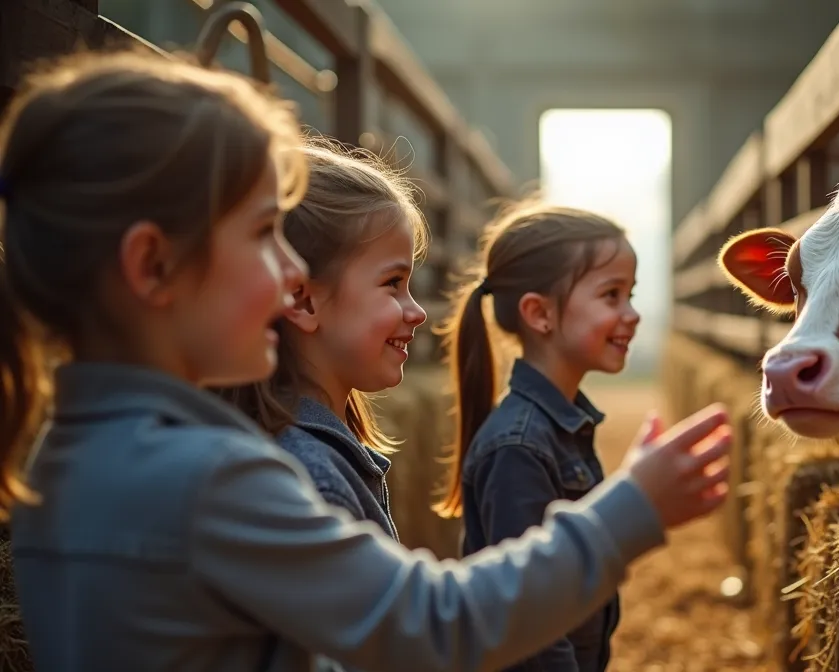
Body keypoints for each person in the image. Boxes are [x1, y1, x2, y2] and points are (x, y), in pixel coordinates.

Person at [0, 48, 731, 672]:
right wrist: (628, 512)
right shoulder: (213, 479)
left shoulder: (58, 462)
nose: (291, 270)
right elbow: (435, 626)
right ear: (154, 266)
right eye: (262, 234)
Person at [433, 201, 652, 672]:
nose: (632, 314)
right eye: (611, 295)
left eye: (631, 294)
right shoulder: (519, 448)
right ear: (539, 313)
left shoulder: (557, 427)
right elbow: (530, 627)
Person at [216, 137, 429, 546]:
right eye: (393, 283)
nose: (417, 311)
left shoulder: (307, 457)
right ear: (303, 301)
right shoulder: (313, 482)